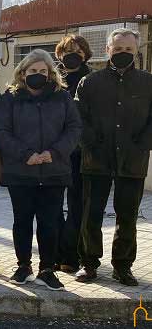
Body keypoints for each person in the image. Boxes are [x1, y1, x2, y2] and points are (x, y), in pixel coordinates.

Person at [0, 49, 81, 291]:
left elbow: (74, 129)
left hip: (54, 171)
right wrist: (26, 155)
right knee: (22, 221)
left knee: (50, 222)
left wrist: (53, 153)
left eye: (43, 71)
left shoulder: (62, 97)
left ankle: (47, 269)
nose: (38, 74)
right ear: (23, 72)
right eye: (33, 70)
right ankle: (23, 266)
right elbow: (0, 131)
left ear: (51, 73)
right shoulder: (10, 97)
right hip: (21, 172)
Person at [75, 28, 152, 286]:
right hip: (96, 160)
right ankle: (89, 264)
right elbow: (78, 118)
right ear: (108, 50)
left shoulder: (148, 82)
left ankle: (123, 267)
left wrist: (141, 144)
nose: (123, 53)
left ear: (136, 50)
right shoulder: (90, 82)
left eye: (128, 49)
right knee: (91, 214)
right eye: (117, 49)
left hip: (132, 161)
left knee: (127, 216)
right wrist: (91, 143)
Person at [53, 34, 93, 273]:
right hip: (54, 153)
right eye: (67, 50)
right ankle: (56, 253)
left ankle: (72, 254)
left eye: (77, 50)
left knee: (76, 205)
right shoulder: (52, 79)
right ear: (59, 54)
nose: (72, 54)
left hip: (80, 153)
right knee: (53, 205)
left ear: (86, 54)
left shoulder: (92, 79)